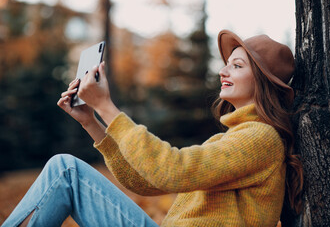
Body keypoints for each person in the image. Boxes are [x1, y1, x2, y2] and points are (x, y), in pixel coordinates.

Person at [2, 30, 303, 227]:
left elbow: (171, 169)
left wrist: (108, 108)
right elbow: (146, 182)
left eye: (237, 66)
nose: (223, 70)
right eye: (227, 64)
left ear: (263, 82)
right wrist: (91, 122)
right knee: (64, 169)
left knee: (65, 169)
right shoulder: (235, 138)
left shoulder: (260, 138)